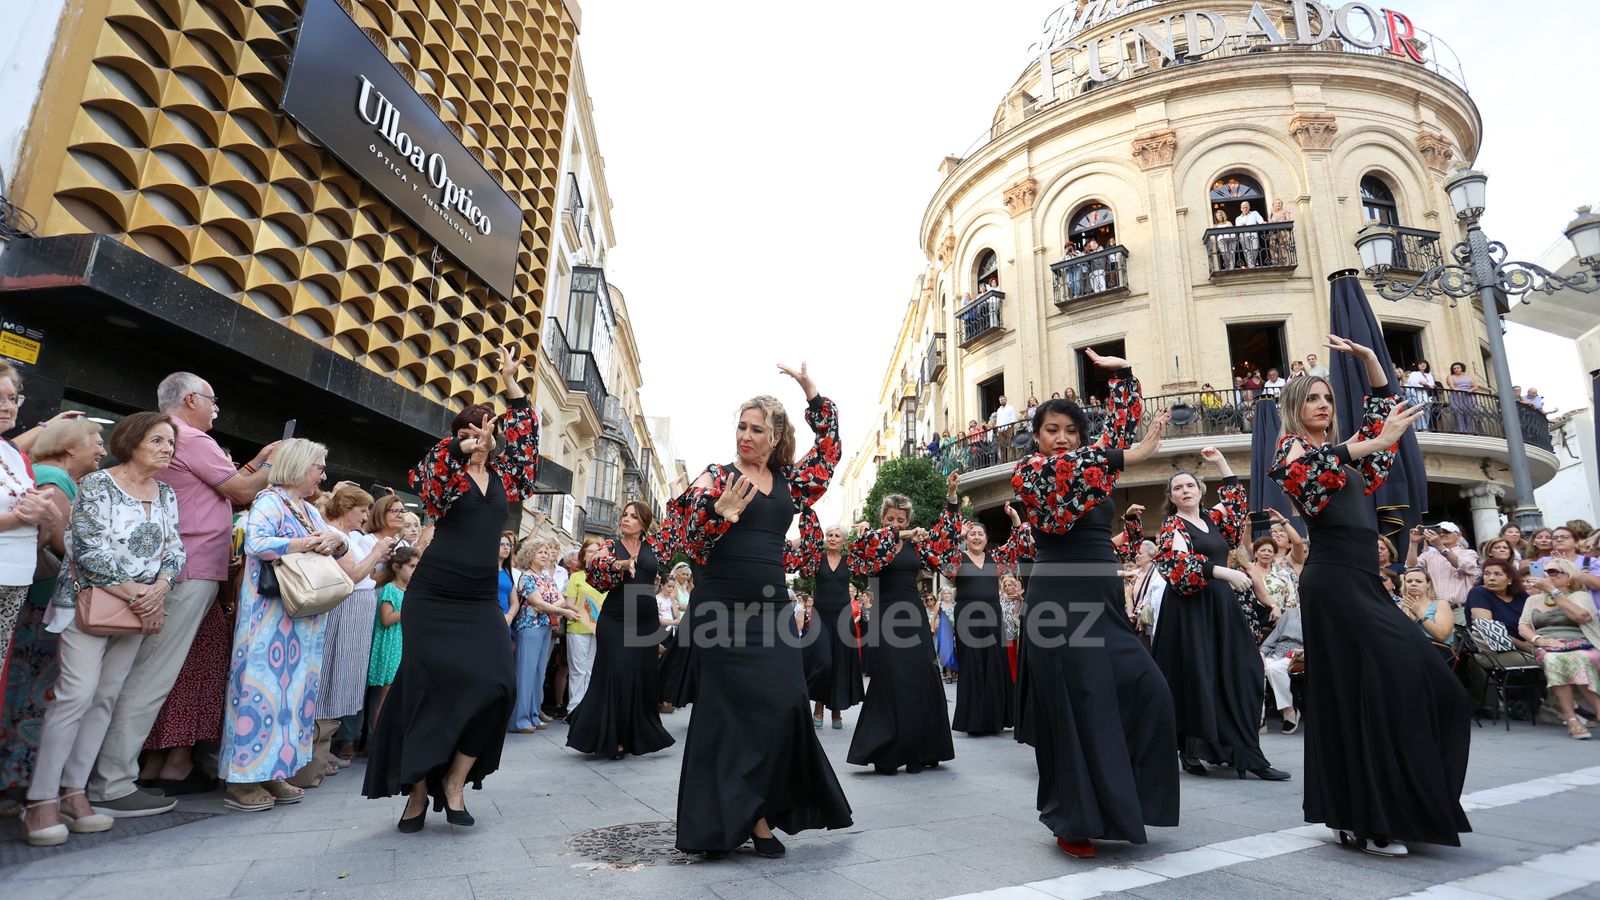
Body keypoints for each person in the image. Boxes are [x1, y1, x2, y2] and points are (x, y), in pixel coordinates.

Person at [1268, 335, 1468, 857]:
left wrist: (1373, 363)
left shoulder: (1351, 462)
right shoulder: (1294, 450)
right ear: (1295, 407)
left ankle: (1364, 809)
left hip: (1365, 582)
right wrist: (1370, 442)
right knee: (1359, 690)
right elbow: (1298, 474)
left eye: (1329, 399)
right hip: (1333, 583)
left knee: (1425, 686)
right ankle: (1368, 818)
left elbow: (1384, 431)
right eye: (1313, 398)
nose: (1324, 405)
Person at [673, 362, 851, 859]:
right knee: (726, 715)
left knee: (785, 703)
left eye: (756, 429)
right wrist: (716, 514)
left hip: (772, 609)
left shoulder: (791, 482)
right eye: (741, 427)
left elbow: (831, 452)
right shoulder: (716, 477)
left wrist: (813, 394)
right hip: (721, 610)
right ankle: (747, 820)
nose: (745, 436)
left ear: (774, 438)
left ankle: (758, 808)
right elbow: (689, 540)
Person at [363, 346, 541, 831]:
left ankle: (455, 780)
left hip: (481, 599)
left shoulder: (508, 476)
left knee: (497, 684)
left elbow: (528, 441)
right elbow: (422, 477)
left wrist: (511, 385)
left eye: (481, 430)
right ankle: (417, 791)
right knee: (426, 689)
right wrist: (459, 449)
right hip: (435, 595)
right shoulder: (445, 474)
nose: (474, 438)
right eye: (464, 433)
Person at [89, 372, 279, 819]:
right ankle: (111, 781)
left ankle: (105, 776)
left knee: (131, 674)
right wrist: (275, 463)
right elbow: (239, 490)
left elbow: (222, 488)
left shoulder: (183, 443)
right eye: (214, 400)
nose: (217, 409)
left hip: (176, 569)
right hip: (186, 571)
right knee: (149, 677)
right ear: (192, 399)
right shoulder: (190, 437)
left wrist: (254, 465)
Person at [1011, 349, 1176, 858]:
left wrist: (1122, 374)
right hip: (1059, 600)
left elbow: (1124, 432)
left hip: (1103, 600)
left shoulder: (1096, 466)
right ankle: (1072, 818)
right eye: (1051, 430)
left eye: (1071, 431)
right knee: (1076, 705)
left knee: (1148, 690)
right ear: (1037, 437)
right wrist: (1125, 455)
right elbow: (1069, 496)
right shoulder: (1031, 473)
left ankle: (1126, 802)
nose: (1061, 438)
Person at [20, 413, 184, 846]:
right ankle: (40, 802)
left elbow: (175, 550)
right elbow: (89, 550)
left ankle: (75, 794)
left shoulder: (166, 492)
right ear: (131, 441)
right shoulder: (97, 485)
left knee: (106, 698)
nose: (167, 448)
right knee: (76, 695)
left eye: (171, 442)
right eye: (158, 440)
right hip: (90, 605)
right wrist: (137, 594)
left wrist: (160, 589)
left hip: (137, 610)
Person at [219, 438, 344, 812]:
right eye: (319, 467)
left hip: (299, 620)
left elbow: (339, 544)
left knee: (290, 697)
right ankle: (241, 779)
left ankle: (273, 769)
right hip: (269, 616)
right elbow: (255, 542)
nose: (322, 474)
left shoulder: (306, 507)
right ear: (300, 466)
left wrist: (332, 540)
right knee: (259, 691)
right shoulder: (269, 500)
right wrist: (307, 542)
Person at [1154, 450, 1290, 781]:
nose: (1184, 490)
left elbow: (1235, 506)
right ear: (1172, 498)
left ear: (1200, 491)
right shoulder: (1173, 524)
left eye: (1189, 485)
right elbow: (1175, 565)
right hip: (1189, 611)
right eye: (1177, 488)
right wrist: (1224, 573)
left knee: (1242, 670)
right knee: (1197, 678)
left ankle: (1244, 752)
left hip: (1219, 608)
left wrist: (1222, 463)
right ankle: (1191, 748)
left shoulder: (1213, 521)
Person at [0, 416, 103, 793]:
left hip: (26, 592)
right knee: (30, 694)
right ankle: (15, 781)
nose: (102, 450)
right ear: (71, 446)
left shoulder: (36, 470)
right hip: (42, 603)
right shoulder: (56, 479)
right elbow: (62, 544)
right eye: (95, 441)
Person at [846, 494, 958, 774]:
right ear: (883, 519)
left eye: (901, 520)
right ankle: (889, 750)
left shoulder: (916, 546)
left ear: (908, 520)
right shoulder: (872, 541)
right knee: (892, 677)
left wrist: (952, 500)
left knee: (921, 674)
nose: (895, 523)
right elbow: (858, 558)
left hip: (912, 613)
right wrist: (900, 533)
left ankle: (919, 750)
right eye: (890, 519)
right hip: (885, 615)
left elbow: (945, 548)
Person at [568, 500, 675, 759]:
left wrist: (673, 494)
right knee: (616, 672)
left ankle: (631, 735)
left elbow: (674, 529)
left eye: (633, 517)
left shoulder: (654, 547)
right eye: (624, 515)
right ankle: (609, 735)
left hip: (645, 620)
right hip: (616, 617)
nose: (626, 519)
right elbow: (595, 566)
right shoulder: (610, 546)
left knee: (639, 676)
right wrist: (622, 565)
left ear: (643, 525)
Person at [937, 472, 1033, 736]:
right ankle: (975, 720)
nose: (976, 537)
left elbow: (1016, 545)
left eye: (980, 534)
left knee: (994, 665)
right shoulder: (957, 560)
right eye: (972, 534)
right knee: (972, 666)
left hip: (992, 618)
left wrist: (1015, 518)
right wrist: (953, 500)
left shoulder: (996, 559)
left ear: (986, 538)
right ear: (966, 539)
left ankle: (997, 717)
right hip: (967, 619)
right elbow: (943, 545)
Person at [0, 364, 65, 739]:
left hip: (15, 580)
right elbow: (17, 517)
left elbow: (40, 530)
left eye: (13, 398)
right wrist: (19, 518)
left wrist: (45, 515)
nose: (8, 406)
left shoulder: (14, 454)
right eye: (0, 398)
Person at [316, 483, 396, 772]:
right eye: (362, 511)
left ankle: (323, 749)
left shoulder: (348, 535)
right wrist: (376, 552)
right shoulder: (336, 535)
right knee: (333, 677)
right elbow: (353, 575)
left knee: (345, 679)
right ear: (347, 509)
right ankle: (318, 752)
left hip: (357, 612)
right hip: (345, 611)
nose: (365, 517)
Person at [1518, 558, 1600, 739]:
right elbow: (1523, 627)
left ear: (1569, 577)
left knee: (1579, 658)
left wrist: (1553, 591)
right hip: (1547, 646)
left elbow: (1581, 616)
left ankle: (1592, 712)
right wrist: (1539, 640)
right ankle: (1571, 718)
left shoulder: (1580, 596)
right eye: (1544, 571)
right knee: (1553, 658)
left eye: (1553, 572)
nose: (1547, 575)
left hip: (1581, 643)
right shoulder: (1533, 599)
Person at [510, 539, 568, 732]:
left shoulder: (546, 577)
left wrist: (548, 606)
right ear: (530, 555)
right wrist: (555, 608)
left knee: (538, 673)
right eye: (540, 552)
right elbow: (538, 602)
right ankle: (520, 719)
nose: (545, 555)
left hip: (545, 627)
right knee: (525, 673)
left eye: (546, 552)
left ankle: (534, 714)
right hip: (529, 627)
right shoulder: (526, 577)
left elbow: (559, 599)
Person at [810, 525, 863, 728]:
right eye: (830, 535)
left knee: (840, 663)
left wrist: (862, 533)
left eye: (837, 536)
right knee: (823, 661)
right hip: (820, 617)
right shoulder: (817, 559)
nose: (832, 538)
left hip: (842, 617)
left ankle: (836, 710)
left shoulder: (850, 561)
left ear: (843, 541)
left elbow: (865, 552)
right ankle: (818, 705)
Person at [368, 545, 417, 733]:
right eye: (412, 566)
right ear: (397, 567)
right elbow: (386, 619)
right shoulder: (390, 589)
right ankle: (376, 742)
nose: (415, 570)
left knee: (400, 696)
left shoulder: (413, 591)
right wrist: (409, 608)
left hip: (406, 646)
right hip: (392, 647)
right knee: (386, 696)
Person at [564, 538, 605, 710]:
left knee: (592, 670)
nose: (593, 554)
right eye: (590, 551)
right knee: (578, 670)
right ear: (583, 555)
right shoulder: (576, 577)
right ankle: (573, 709)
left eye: (597, 551)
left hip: (599, 628)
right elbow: (568, 603)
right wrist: (587, 613)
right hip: (578, 626)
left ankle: (588, 709)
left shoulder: (605, 577)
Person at [1406, 522, 1480, 610]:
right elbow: (1411, 568)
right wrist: (1413, 543)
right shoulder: (1428, 554)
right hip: (1434, 608)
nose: (1442, 534)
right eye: (1439, 531)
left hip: (1459, 609)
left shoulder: (1468, 553)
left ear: (1459, 535)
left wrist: (1439, 546)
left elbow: (1464, 566)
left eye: (1447, 532)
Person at [1258, 600, 1304, 735]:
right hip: (1277, 652)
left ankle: (1289, 710)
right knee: (1257, 669)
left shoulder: (1319, 615)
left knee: (1274, 670)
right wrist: (1262, 652)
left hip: (1298, 655)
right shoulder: (1290, 614)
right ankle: (1259, 719)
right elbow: (1274, 636)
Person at [658, 561, 696, 714]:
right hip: (676, 622)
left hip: (681, 621)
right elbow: (678, 606)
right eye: (683, 574)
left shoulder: (688, 588)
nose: (686, 577)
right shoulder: (674, 590)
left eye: (688, 575)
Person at [1444, 362, 1481, 433]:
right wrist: (1455, 389)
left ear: (1462, 368)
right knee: (1458, 413)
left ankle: (1471, 431)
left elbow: (1475, 386)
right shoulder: (1451, 376)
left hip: (1468, 396)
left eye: (1458, 368)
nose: (1456, 369)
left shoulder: (1469, 376)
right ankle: (1461, 431)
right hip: (1456, 396)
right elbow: (1451, 385)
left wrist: (1470, 390)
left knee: (1469, 413)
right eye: (1454, 368)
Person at [1404, 361, 1437, 431]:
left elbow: (1432, 384)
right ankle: (1421, 429)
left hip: (1426, 397)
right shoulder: (1414, 374)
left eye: (1424, 363)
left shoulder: (1428, 374)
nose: (1423, 364)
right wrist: (1426, 385)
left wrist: (1424, 384)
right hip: (1416, 396)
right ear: (1417, 366)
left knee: (1426, 413)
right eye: (1420, 363)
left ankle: (1425, 428)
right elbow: (1413, 383)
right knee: (1418, 412)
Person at [1235, 200, 1266, 267]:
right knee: (1246, 250)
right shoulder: (1238, 218)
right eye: (1243, 208)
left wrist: (1263, 222)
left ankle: (1251, 264)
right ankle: (1251, 265)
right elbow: (1237, 227)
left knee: (1255, 248)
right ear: (1241, 209)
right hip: (1243, 235)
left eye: (1246, 207)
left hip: (1253, 233)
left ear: (1249, 207)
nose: (1245, 209)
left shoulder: (1254, 213)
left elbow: (1260, 221)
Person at [1267, 198, 1293, 264]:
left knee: (1283, 246)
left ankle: (1284, 262)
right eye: (1276, 203)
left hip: (1283, 231)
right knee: (1272, 246)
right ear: (1273, 205)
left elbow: (1289, 220)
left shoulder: (1285, 211)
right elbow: (1269, 223)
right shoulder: (1272, 214)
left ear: (1281, 204)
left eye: (1279, 203)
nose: (1278, 204)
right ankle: (1275, 261)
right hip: (1273, 232)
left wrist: (1280, 222)